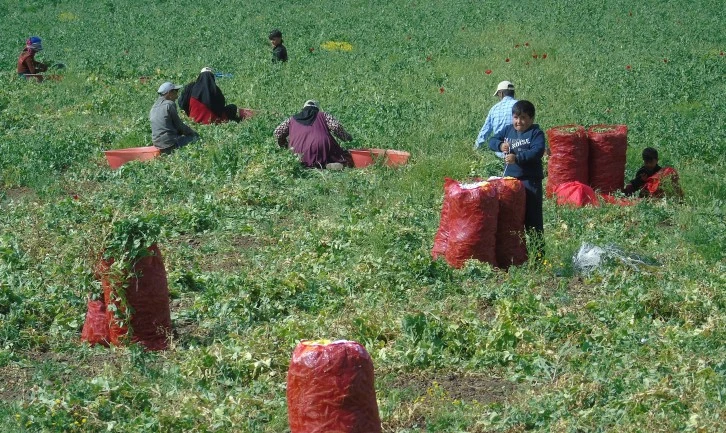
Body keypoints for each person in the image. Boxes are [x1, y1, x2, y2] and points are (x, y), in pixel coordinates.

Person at [489, 100, 546, 259]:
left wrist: (518, 157)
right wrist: (500, 146)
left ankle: (538, 258)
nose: (518, 121)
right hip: (510, 183)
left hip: (530, 182)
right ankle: (515, 258)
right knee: (512, 220)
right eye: (516, 117)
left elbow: (537, 151)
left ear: (531, 119)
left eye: (523, 118)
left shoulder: (536, 133)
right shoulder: (508, 130)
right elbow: (492, 141)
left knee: (533, 221)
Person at [274, 100, 353, 169]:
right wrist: (347, 138)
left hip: (298, 152)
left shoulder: (291, 119)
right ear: (317, 109)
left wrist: (284, 145)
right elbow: (336, 127)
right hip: (322, 148)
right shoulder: (323, 115)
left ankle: (306, 165)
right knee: (344, 155)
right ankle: (329, 163)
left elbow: (277, 132)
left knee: (300, 160)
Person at [150, 82, 199, 154]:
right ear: (169, 93)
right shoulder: (169, 104)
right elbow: (179, 126)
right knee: (195, 138)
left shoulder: (153, 107)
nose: (177, 96)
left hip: (157, 144)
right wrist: (192, 132)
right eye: (175, 92)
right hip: (170, 143)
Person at [475, 81, 517, 157]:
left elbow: (485, 131)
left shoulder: (494, 109)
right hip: (519, 152)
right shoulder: (520, 106)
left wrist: (476, 148)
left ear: (501, 93)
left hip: (500, 152)